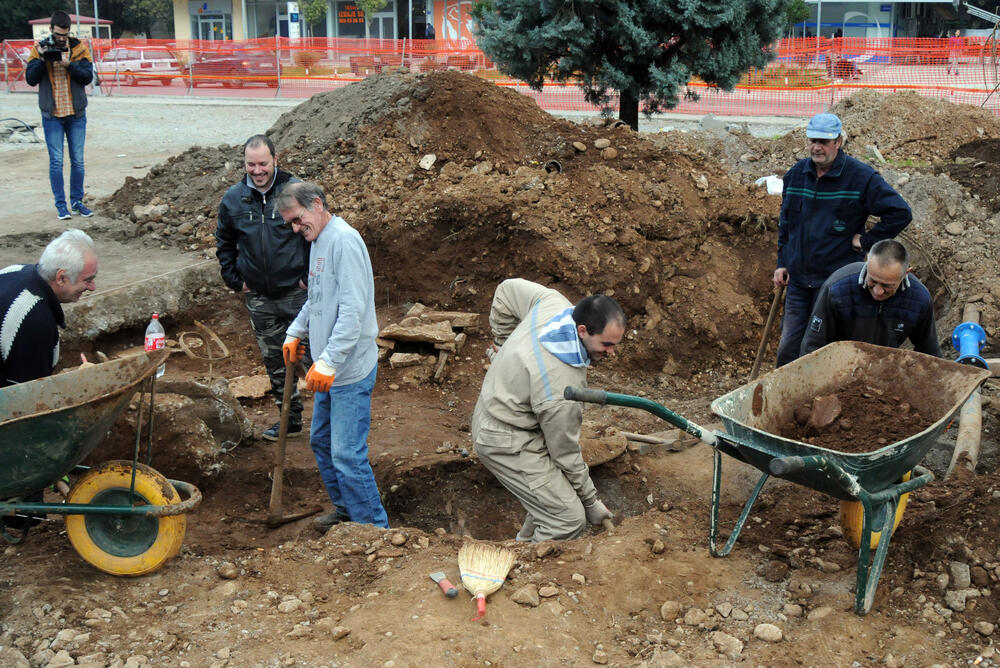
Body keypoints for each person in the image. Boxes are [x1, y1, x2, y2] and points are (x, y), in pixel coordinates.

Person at [472, 279, 625, 542]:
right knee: (567, 520)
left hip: (511, 410)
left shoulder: (554, 304)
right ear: (582, 330)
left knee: (555, 500)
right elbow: (564, 453)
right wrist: (591, 501)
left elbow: (506, 291)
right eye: (606, 345)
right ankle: (527, 564)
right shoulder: (562, 387)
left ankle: (522, 546)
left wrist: (504, 343)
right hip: (504, 437)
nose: (611, 353)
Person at [277, 182, 389, 531]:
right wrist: (296, 331)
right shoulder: (319, 241)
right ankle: (347, 511)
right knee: (322, 442)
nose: (296, 229)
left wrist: (329, 361)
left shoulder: (344, 241)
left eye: (298, 220)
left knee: (346, 453)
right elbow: (317, 298)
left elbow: (353, 312)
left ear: (317, 204)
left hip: (349, 369)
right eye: (290, 224)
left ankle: (373, 530)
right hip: (329, 368)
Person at [773, 112, 912, 367]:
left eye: (824, 142)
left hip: (836, 284)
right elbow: (786, 223)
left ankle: (826, 391)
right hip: (799, 281)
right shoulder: (796, 175)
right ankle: (787, 391)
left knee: (826, 349)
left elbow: (900, 213)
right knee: (789, 348)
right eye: (813, 141)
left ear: (838, 142)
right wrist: (782, 262)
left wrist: (867, 242)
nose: (817, 147)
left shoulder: (860, 178)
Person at [216, 134, 311, 442]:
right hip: (260, 298)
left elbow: (315, 234)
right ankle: (289, 422)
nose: (257, 171)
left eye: (263, 164)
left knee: (314, 359)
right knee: (276, 364)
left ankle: (331, 422)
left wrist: (308, 277)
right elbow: (224, 242)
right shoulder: (234, 199)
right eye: (250, 164)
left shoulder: (296, 191)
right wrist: (234, 278)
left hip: (297, 295)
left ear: (275, 160)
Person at [800, 239, 941, 357]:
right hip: (838, 367)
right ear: (867, 263)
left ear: (906, 274)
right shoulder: (837, 289)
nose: (878, 291)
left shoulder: (919, 299)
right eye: (873, 281)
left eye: (887, 285)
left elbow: (929, 351)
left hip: (883, 370)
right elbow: (813, 345)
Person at [0, 229, 98, 387]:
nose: (93, 287)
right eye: (88, 280)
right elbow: (25, 394)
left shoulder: (13, 270)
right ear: (61, 278)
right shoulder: (35, 320)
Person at [25, 11, 95, 221]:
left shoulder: (79, 49)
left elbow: (87, 77)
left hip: (76, 114)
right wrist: (41, 59)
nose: (61, 39)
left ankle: (77, 202)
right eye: (58, 35)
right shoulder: (39, 49)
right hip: (52, 114)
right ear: (51, 30)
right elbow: (30, 79)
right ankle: (61, 206)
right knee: (56, 161)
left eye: (65, 35)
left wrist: (69, 64)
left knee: (78, 161)